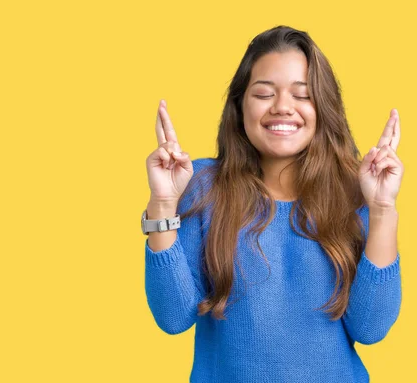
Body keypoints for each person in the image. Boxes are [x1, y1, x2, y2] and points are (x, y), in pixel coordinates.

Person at [142, 25, 403, 383]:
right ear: (240, 105)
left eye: (303, 95)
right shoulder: (202, 186)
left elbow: (371, 327)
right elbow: (173, 317)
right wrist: (162, 203)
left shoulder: (356, 191)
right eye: (264, 93)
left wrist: (382, 210)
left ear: (323, 107)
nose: (283, 107)